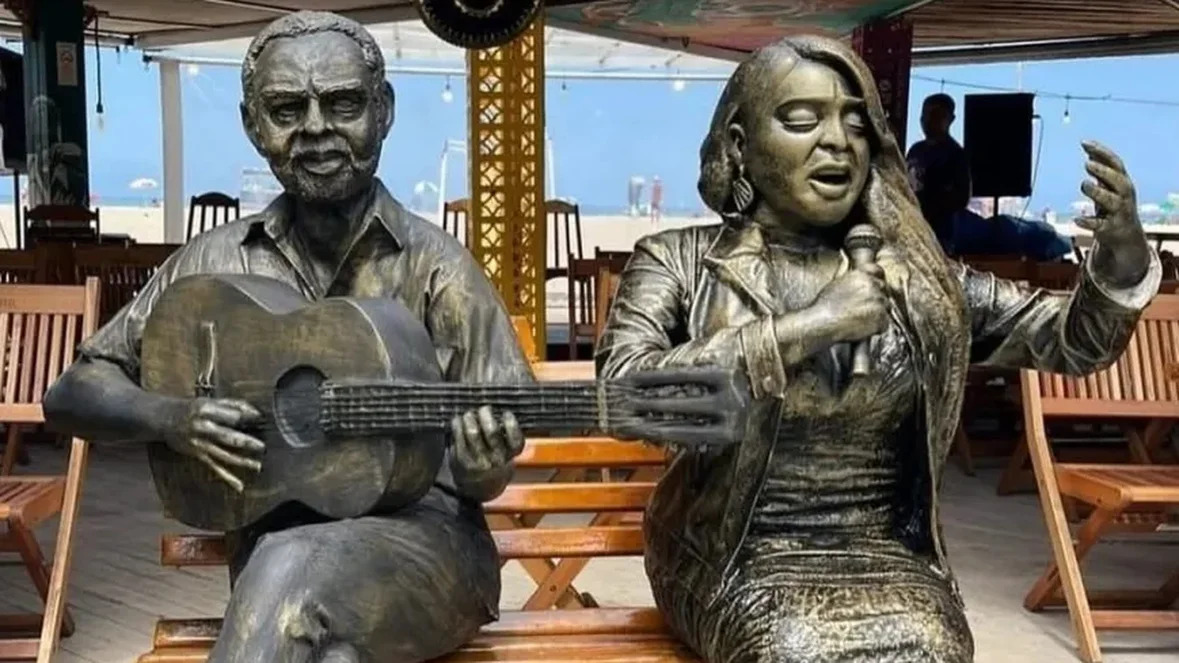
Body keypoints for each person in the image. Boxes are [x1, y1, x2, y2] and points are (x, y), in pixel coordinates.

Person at [596, 35, 1160, 663]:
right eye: (802, 120)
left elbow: (1074, 342)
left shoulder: (920, 280)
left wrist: (1122, 258)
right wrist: (811, 326)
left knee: (935, 647)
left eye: (855, 123)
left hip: (886, 555)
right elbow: (624, 399)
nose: (837, 141)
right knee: (794, 650)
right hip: (729, 555)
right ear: (739, 145)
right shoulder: (678, 261)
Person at [43, 11, 532, 663]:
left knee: (291, 570)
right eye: (285, 109)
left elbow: (486, 471)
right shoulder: (215, 262)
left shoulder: (439, 268)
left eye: (343, 103)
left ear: (383, 111)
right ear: (252, 125)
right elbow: (72, 392)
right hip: (271, 561)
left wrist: (480, 461)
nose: (316, 129)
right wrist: (171, 417)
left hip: (428, 551)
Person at [906, 93, 971, 251]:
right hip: (913, 228)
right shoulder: (915, 150)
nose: (928, 120)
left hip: (941, 234)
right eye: (925, 114)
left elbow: (962, 197)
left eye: (935, 115)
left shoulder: (955, 154)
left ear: (950, 119)